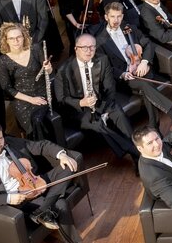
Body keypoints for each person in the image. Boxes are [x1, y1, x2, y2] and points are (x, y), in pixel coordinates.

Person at [0, 122, 95, 243]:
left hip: (35, 182)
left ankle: (42, 211)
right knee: (61, 204)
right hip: (20, 198)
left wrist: (62, 155)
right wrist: (8, 198)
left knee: (69, 166)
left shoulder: (9, 143)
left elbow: (41, 145)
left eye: (0, 138)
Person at [53, 33, 139, 167]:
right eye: (84, 48)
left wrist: (104, 109)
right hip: (78, 110)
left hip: (102, 102)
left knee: (119, 114)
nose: (89, 51)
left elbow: (110, 88)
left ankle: (137, 160)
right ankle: (138, 153)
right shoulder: (63, 70)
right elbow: (61, 100)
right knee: (97, 124)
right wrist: (82, 103)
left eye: (92, 47)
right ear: (76, 49)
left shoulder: (102, 60)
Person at [97, 2, 172, 128]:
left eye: (119, 16)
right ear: (106, 17)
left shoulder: (130, 28)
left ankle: (154, 126)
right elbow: (106, 68)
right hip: (126, 78)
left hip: (141, 69)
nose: (116, 20)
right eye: (112, 17)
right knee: (145, 84)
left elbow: (148, 44)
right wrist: (123, 74)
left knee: (145, 85)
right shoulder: (100, 41)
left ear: (122, 16)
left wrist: (144, 62)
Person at [0, 22, 52, 140]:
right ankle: (39, 150)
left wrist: (49, 68)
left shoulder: (35, 49)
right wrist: (31, 99)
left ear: (24, 37)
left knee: (38, 119)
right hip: (22, 99)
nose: (16, 41)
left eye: (18, 37)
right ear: (6, 40)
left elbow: (48, 71)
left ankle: (50, 148)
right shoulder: (3, 61)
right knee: (32, 123)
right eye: (11, 38)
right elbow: (7, 88)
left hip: (42, 92)